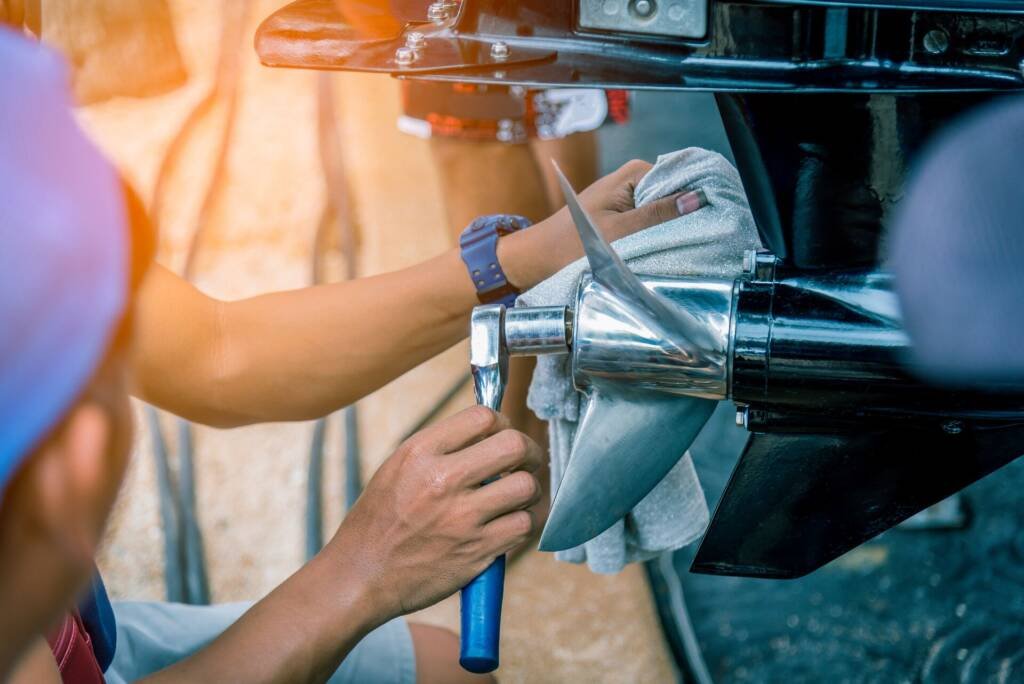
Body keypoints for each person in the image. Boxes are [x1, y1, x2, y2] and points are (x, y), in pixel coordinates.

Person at [0, 26, 691, 683]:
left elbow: (216, 352)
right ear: (77, 456)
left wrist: (512, 262)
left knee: (445, 671)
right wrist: (362, 570)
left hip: (76, 637)